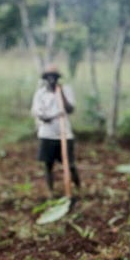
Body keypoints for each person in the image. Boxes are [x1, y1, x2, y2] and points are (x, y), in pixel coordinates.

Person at [31, 63, 79, 196]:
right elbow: (40, 115)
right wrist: (56, 115)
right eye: (49, 77)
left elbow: (70, 109)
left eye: (54, 77)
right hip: (47, 134)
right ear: (45, 78)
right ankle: (50, 192)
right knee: (48, 165)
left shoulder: (66, 90)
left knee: (70, 165)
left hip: (65, 134)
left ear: (58, 78)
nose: (52, 80)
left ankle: (77, 188)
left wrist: (61, 93)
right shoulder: (40, 93)